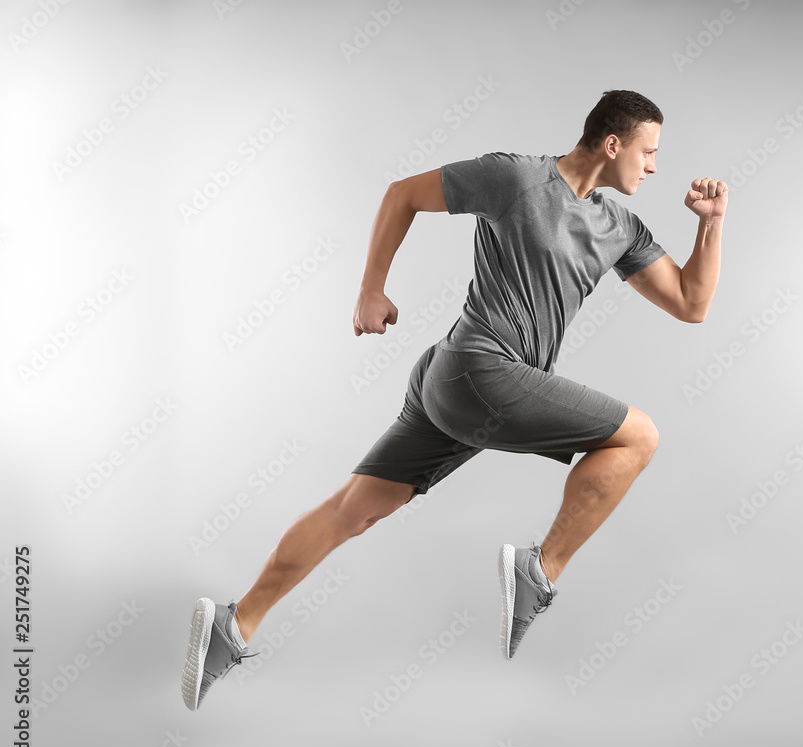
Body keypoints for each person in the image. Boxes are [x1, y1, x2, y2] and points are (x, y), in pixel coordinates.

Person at [181, 89, 728, 711]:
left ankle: (234, 624)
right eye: (649, 151)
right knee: (640, 436)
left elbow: (691, 302)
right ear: (613, 143)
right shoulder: (516, 178)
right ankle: (540, 571)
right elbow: (402, 194)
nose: (654, 166)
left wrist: (709, 223)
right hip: (477, 368)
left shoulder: (619, 226)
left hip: (463, 385)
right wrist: (370, 289)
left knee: (353, 510)